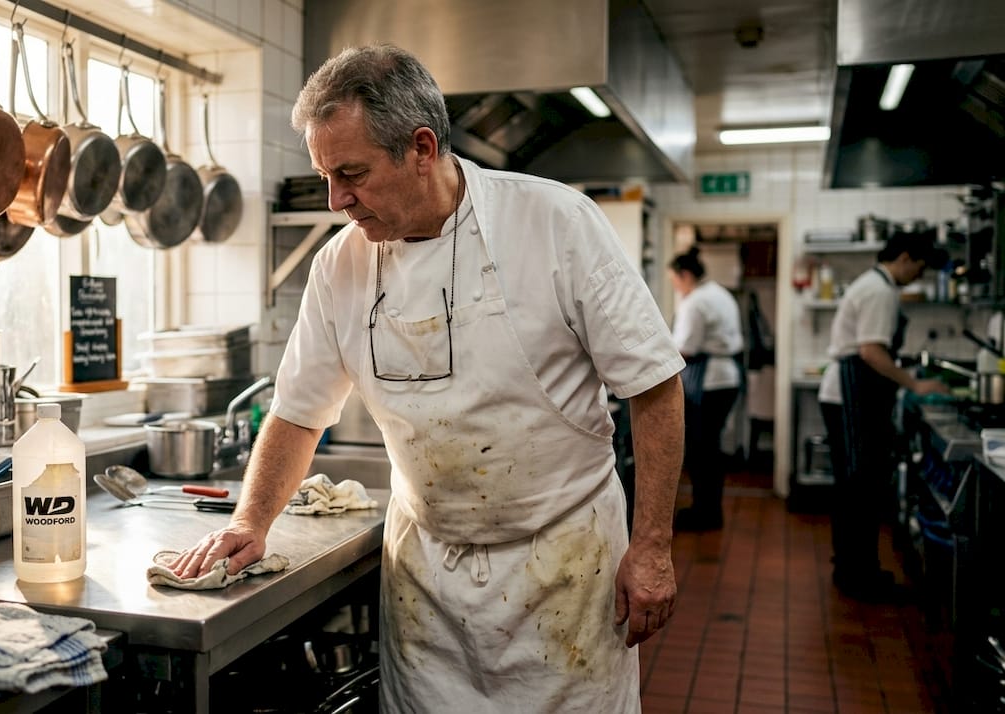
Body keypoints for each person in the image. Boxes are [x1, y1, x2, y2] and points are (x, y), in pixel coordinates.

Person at [171, 44, 685, 711]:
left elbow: (655, 387)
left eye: (351, 173)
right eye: (325, 176)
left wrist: (651, 548)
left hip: (566, 570)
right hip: (428, 589)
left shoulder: (555, 224)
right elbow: (298, 412)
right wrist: (251, 519)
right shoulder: (339, 269)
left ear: (420, 147)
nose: (336, 201)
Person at [817, 230, 948, 600]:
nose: (917, 278)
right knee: (859, 487)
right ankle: (858, 574)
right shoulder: (880, 291)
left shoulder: (874, 285)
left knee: (854, 486)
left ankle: (852, 568)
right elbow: (872, 352)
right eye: (919, 269)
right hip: (851, 394)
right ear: (905, 257)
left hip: (850, 393)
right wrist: (914, 384)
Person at [668, 247, 745, 531]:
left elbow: (684, 349)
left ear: (685, 275)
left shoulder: (695, 302)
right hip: (727, 379)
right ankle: (709, 510)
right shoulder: (719, 293)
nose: (675, 286)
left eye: (674, 280)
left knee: (702, 451)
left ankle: (706, 513)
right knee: (710, 449)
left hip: (709, 381)